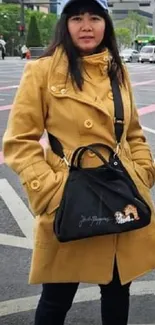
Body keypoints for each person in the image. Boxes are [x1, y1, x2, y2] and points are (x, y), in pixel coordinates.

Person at [2, 0, 155, 324]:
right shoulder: (41, 71)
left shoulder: (117, 69)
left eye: (95, 17)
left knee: (117, 293)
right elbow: (19, 141)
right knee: (56, 300)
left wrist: (144, 171)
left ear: (106, 25)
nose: (86, 25)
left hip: (118, 194)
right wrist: (49, 191)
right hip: (70, 199)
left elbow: (133, 133)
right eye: (77, 18)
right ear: (65, 25)